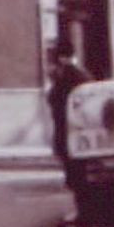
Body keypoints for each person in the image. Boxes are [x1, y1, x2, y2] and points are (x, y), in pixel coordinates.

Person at [46, 40, 90, 193]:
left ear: (61, 58)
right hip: (78, 126)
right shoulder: (83, 75)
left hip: (66, 126)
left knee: (72, 167)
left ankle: (79, 204)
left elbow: (53, 99)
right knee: (77, 166)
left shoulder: (65, 77)